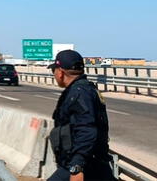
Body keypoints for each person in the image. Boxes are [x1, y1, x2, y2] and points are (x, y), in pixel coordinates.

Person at [46, 50, 114, 181]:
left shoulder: (79, 93)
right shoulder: (84, 89)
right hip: (89, 163)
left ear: (60, 72)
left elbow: (86, 129)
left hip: (86, 165)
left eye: (54, 70)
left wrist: (77, 166)